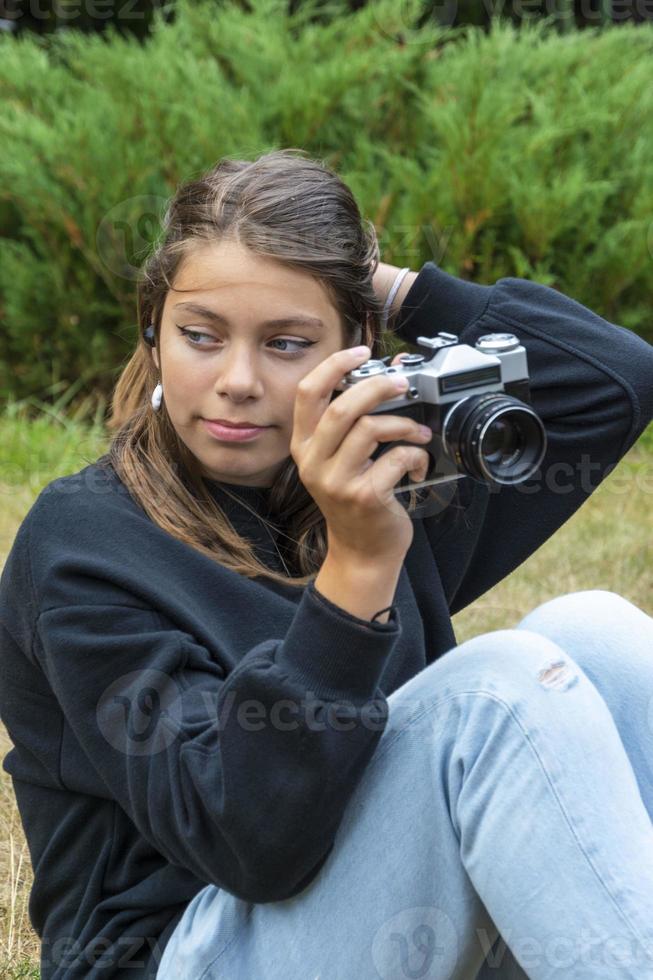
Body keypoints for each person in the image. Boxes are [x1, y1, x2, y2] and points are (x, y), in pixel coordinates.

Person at [1, 147, 652, 980]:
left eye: (286, 342)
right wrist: (358, 571)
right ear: (153, 336)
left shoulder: (382, 465)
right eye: (199, 336)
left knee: (592, 630)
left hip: (382, 916)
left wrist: (362, 277)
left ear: (359, 348)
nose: (236, 380)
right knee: (497, 692)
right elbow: (247, 844)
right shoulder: (85, 543)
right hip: (182, 950)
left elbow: (612, 376)